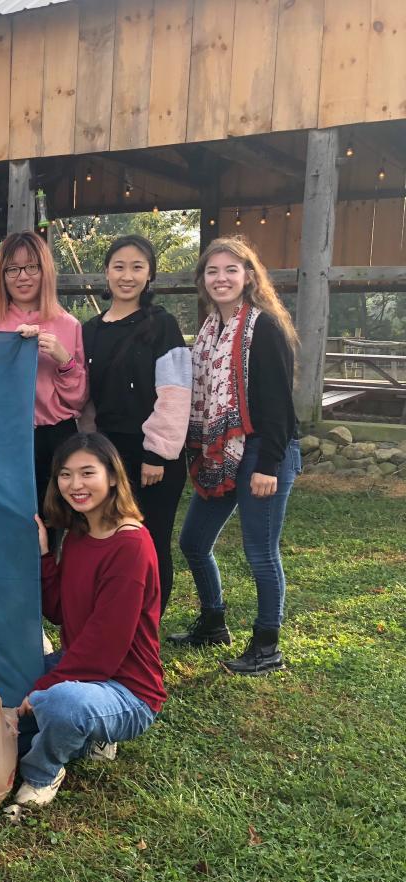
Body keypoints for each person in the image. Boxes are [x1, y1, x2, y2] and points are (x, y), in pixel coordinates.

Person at [12, 432, 165, 809]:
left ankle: (43, 774)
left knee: (60, 703)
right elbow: (60, 611)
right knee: (8, 680)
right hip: (83, 669)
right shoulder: (80, 533)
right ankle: (93, 737)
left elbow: (103, 649)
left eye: (87, 473)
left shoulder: (131, 546)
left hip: (129, 689)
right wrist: (44, 555)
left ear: (112, 476)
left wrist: (43, 689)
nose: (75, 485)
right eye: (65, 475)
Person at [171, 237, 300, 675]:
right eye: (212, 271)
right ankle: (213, 623)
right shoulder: (210, 331)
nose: (221, 278)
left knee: (261, 552)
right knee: (193, 541)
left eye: (231, 270)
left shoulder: (264, 327)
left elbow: (279, 404)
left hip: (265, 451)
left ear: (248, 276)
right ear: (202, 280)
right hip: (222, 452)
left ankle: (267, 647)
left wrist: (268, 466)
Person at [81, 235, 190, 613]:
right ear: (106, 273)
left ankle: (147, 625)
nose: (127, 276)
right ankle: (112, 619)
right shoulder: (90, 330)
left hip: (152, 457)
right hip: (106, 453)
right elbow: (87, 399)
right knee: (107, 538)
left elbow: (175, 394)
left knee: (150, 542)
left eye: (137, 267)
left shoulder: (162, 326)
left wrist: (157, 454)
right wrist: (87, 450)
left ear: (150, 275)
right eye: (119, 267)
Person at [0, 231, 87, 511]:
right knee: (4, 513)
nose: (22, 277)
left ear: (44, 270)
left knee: (55, 516)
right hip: (2, 433)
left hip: (55, 437)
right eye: (12, 269)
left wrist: (63, 359)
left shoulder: (68, 324)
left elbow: (78, 399)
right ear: (2, 275)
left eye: (31, 267)